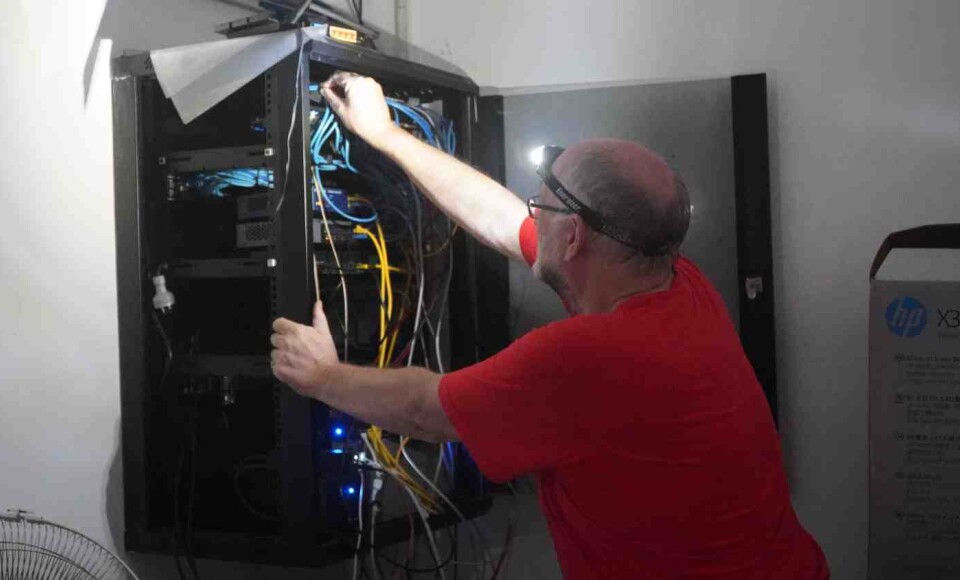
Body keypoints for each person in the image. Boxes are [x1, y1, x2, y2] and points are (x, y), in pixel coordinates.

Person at [270, 71, 829, 579]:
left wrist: (320, 375)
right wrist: (386, 134)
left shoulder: (590, 355)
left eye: (543, 204)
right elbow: (505, 220)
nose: (530, 210)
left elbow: (426, 410)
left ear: (575, 238)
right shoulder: (678, 283)